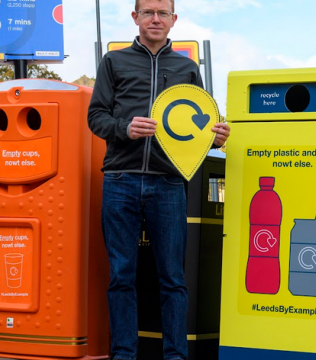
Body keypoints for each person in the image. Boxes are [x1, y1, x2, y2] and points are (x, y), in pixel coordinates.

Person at [87, 0, 230, 359]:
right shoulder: (113, 62)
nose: (155, 19)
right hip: (120, 179)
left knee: (173, 279)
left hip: (168, 183)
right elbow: (96, 117)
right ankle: (123, 354)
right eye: (147, 12)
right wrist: (125, 128)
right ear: (135, 18)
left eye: (162, 13)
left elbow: (201, 125)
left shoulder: (186, 69)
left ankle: (175, 355)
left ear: (173, 20)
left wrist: (216, 135)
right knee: (121, 276)